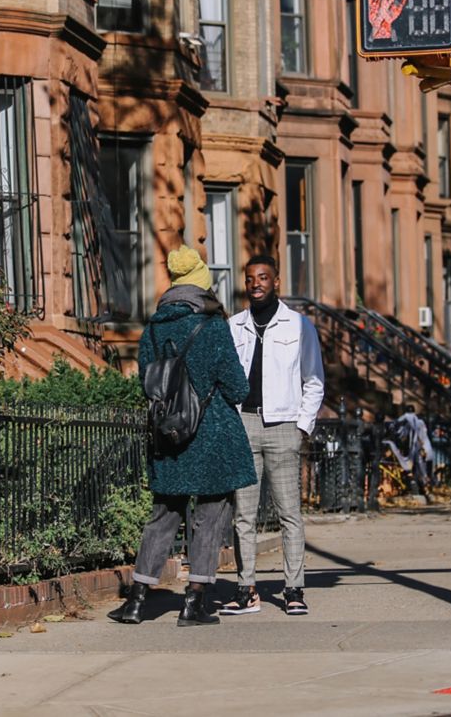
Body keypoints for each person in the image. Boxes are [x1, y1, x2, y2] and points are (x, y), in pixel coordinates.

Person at [108, 245, 257, 627]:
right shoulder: (213, 326)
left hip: (168, 435)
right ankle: (194, 603)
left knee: (163, 515)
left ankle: (137, 601)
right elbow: (238, 388)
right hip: (212, 435)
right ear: (202, 287)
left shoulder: (154, 327)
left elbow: (148, 382)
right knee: (210, 517)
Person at [221, 254, 324, 616]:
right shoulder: (234, 326)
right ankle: (246, 588)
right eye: (250, 279)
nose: (256, 284)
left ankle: (294, 589)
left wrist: (301, 427)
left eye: (263, 277)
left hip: (283, 427)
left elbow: (314, 381)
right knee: (244, 516)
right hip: (244, 424)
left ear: (276, 281)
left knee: (289, 515)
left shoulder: (299, 326)